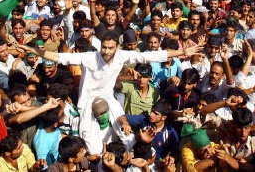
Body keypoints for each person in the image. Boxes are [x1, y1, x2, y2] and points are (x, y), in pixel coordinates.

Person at [19, 31, 202, 156]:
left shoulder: (122, 55)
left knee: (126, 134)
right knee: (90, 142)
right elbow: (59, 57)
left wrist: (183, 51)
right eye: (104, 47)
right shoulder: (89, 57)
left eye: (110, 48)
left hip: (108, 98)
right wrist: (30, 49)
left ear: (116, 47)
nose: (106, 51)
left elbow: (150, 56)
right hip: (87, 101)